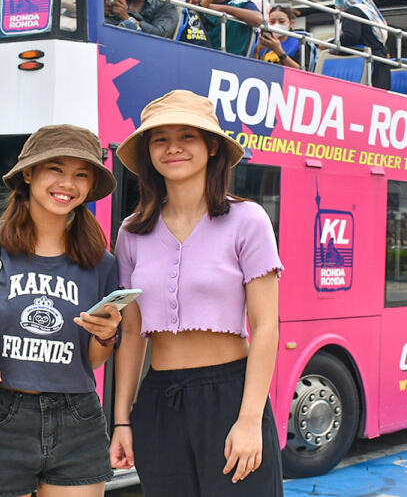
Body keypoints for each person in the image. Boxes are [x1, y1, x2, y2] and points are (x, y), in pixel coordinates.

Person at [0, 125, 123, 497]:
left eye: (81, 174)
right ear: (28, 173)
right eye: (56, 169)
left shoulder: (101, 263)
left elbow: (91, 361)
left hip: (78, 419)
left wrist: (107, 336)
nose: (68, 184)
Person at [108, 90, 283, 497]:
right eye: (160, 139)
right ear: (148, 152)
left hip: (230, 397)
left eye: (187, 135)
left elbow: (265, 325)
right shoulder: (132, 232)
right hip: (158, 401)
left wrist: (250, 419)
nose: (173, 148)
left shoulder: (248, 220)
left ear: (212, 147)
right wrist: (122, 420)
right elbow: (131, 334)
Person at [334, 0, 391, 90]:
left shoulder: (353, 11)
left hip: (365, 67)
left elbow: (351, 37)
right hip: (380, 64)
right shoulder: (371, 12)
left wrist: (332, 43)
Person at [251, 4, 303, 69]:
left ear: (291, 23)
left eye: (281, 21)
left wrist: (278, 50)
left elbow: (301, 71)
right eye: (272, 22)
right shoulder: (264, 41)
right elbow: (253, 67)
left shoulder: (299, 43)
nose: (276, 24)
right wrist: (256, 51)